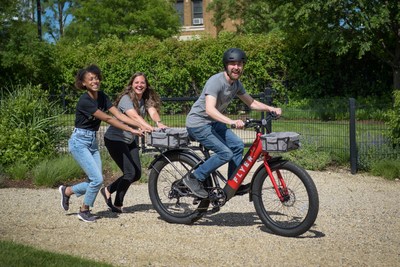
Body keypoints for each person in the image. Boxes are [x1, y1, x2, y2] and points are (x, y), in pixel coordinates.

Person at [184, 48, 282, 198]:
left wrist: (271, 108)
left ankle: (232, 184)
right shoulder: (215, 82)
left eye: (240, 64)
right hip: (198, 124)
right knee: (225, 153)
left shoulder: (236, 84)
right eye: (233, 64)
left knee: (237, 145)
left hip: (212, 123)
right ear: (226, 66)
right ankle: (194, 178)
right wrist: (231, 121)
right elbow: (209, 109)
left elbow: (252, 103)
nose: (236, 67)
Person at [58, 64, 144, 222]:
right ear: (84, 83)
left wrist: (139, 125)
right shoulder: (85, 100)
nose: (95, 81)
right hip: (79, 142)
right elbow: (108, 119)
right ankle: (84, 210)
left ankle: (67, 191)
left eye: (97, 78)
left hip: (91, 142)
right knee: (97, 180)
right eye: (91, 79)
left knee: (96, 181)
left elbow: (118, 114)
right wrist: (131, 130)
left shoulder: (102, 96)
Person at [101, 72, 167, 213]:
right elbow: (134, 116)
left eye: (142, 82)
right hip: (115, 140)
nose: (139, 85)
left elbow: (152, 111)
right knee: (130, 173)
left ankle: (108, 190)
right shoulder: (126, 99)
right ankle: (117, 204)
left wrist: (158, 122)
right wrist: (147, 127)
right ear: (132, 84)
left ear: (146, 85)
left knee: (136, 174)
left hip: (130, 139)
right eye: (136, 82)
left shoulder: (145, 99)